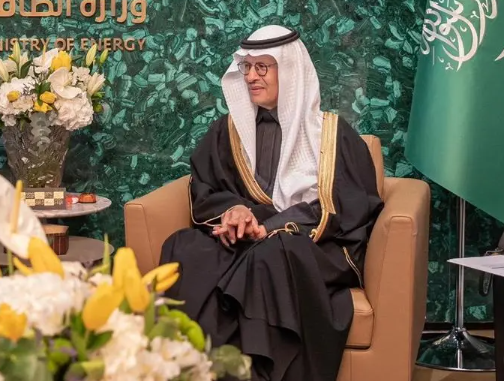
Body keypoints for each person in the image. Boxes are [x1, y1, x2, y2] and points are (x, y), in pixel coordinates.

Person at [159, 25, 383, 381]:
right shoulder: (228, 131)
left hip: (311, 243)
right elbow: (206, 188)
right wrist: (236, 212)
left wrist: (271, 226)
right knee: (184, 246)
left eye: (262, 67)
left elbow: (347, 207)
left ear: (289, 70)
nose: (251, 76)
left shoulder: (332, 134)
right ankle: (194, 368)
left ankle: (259, 372)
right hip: (245, 239)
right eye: (246, 67)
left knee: (271, 254)